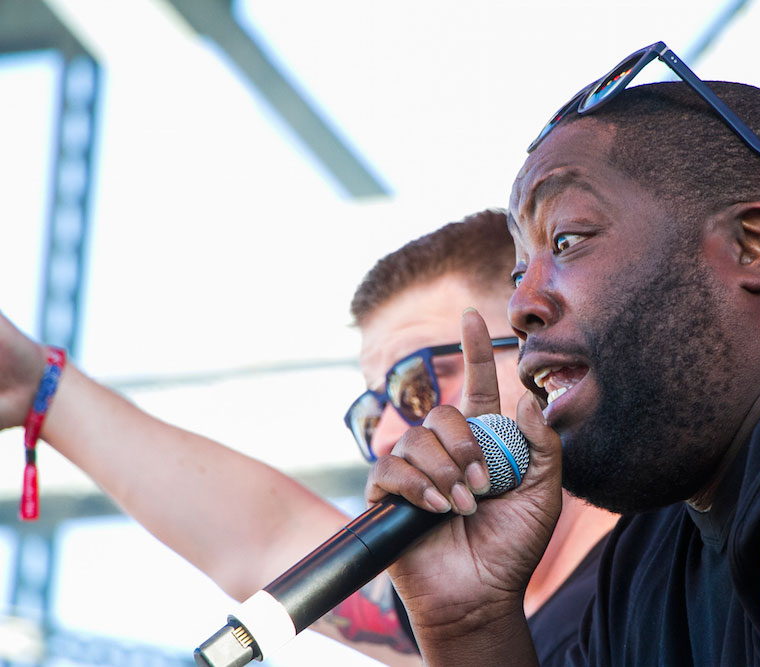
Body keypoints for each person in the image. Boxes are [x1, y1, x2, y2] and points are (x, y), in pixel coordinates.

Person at [361, 44, 760, 666]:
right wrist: (470, 625)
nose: (522, 304)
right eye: (517, 273)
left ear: (753, 245)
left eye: (568, 239)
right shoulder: (653, 550)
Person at [0, 209, 618, 666]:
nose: (388, 440)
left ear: (537, 351)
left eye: (420, 385)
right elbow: (262, 536)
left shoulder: (680, 543)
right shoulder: (443, 606)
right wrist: (38, 390)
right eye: (372, 416)